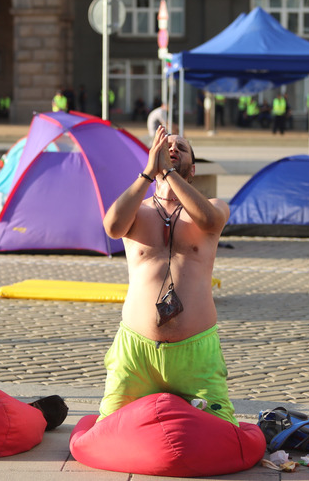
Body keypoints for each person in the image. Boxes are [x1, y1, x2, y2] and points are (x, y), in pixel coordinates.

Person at [99, 125, 236, 425]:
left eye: (180, 148)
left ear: (193, 168)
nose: (171, 149)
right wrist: (149, 173)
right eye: (165, 145)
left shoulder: (213, 206)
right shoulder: (138, 208)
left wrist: (169, 173)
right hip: (135, 354)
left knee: (224, 431)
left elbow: (210, 221)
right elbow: (111, 226)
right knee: (107, 430)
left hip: (196, 353)